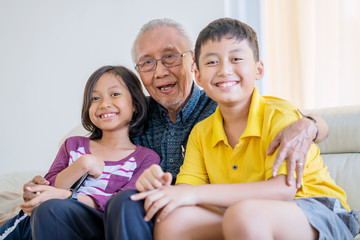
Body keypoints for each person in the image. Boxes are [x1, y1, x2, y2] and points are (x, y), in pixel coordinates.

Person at [29, 18, 329, 240]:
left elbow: (298, 124)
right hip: (148, 210)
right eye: (147, 63)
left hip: (162, 211)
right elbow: (98, 144)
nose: (160, 71)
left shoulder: (220, 103)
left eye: (170, 56)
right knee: (55, 211)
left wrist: (310, 124)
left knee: (129, 204)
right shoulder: (136, 116)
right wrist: (49, 188)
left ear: (192, 65)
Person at [131, 18, 359, 239]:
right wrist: (164, 185)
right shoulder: (201, 133)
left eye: (236, 58)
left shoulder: (279, 114)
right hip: (242, 214)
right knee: (172, 219)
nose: (224, 70)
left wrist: (191, 193)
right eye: (212, 62)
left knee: (244, 214)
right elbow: (186, 190)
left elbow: (283, 190)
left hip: (317, 210)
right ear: (198, 75)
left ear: (258, 70)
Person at [0, 65, 160, 239]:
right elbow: (49, 189)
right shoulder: (74, 145)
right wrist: (83, 164)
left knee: (51, 208)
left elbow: (126, 204)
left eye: (115, 94)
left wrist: (70, 196)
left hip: (102, 223)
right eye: (95, 98)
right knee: (47, 209)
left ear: (135, 103)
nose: (104, 104)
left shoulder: (146, 158)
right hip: (55, 216)